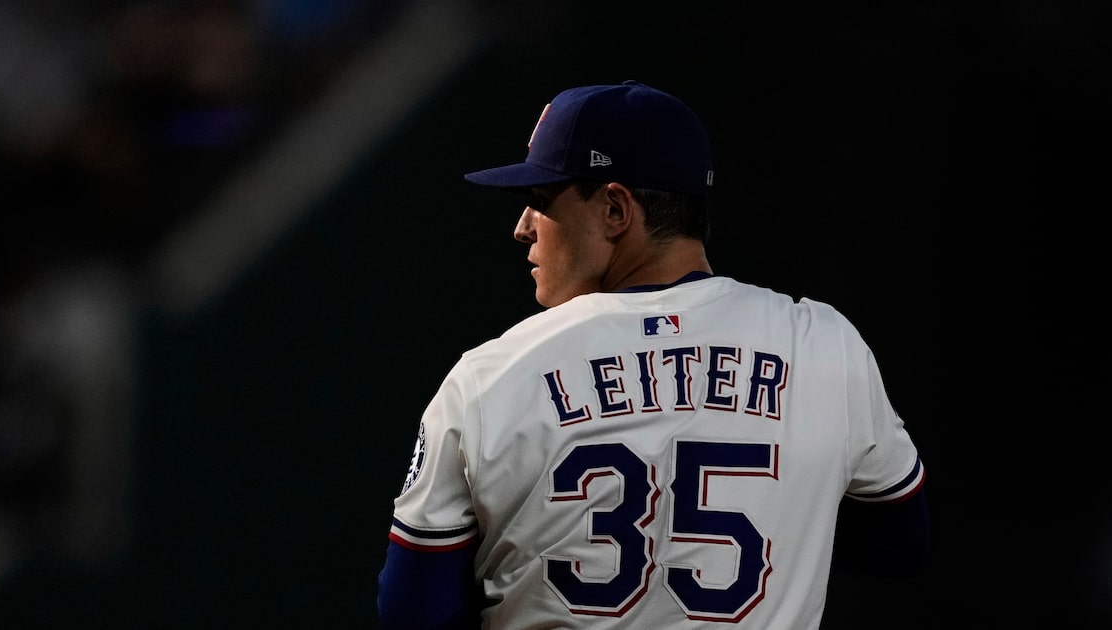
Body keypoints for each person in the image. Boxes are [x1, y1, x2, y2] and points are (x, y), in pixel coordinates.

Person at [376, 80, 929, 629]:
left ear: (616, 210)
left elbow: (413, 612)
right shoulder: (822, 345)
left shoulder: (491, 376)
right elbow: (897, 546)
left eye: (540, 201)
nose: (523, 228)